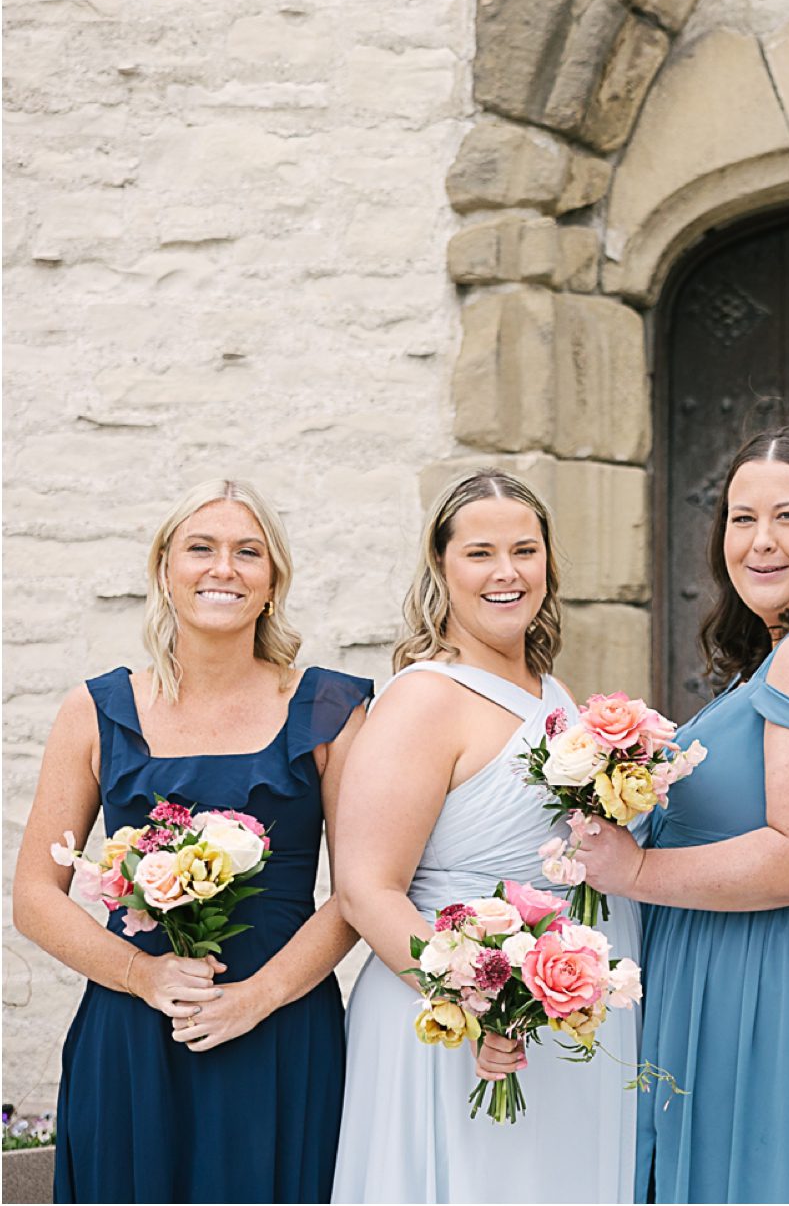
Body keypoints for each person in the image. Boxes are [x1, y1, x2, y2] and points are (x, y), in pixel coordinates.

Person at [12, 479, 368, 1203]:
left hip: (280, 1030)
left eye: (248, 552)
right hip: (134, 1033)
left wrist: (257, 997)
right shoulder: (94, 711)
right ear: (164, 570)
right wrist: (142, 976)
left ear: (273, 581)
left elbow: (364, 888)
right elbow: (33, 896)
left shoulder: (332, 710)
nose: (223, 568)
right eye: (201, 548)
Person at [569, 427, 789, 1203]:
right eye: (742, 518)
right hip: (729, 973)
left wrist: (635, 869)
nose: (760, 541)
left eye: (788, 516)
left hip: (765, 984)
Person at [330, 469, 637, 1203]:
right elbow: (366, 889)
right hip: (459, 1026)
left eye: (525, 551)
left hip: (556, 1019)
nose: (507, 572)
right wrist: (477, 1007)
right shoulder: (424, 698)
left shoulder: (554, 693)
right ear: (441, 567)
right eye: (480, 553)